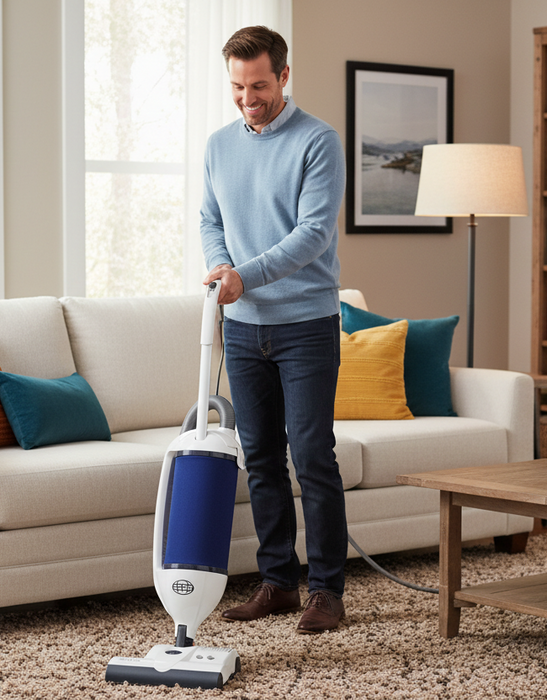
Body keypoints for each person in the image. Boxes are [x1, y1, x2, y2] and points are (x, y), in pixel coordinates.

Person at [200, 25, 347, 634]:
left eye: (258, 85)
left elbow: (313, 234)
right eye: (237, 86)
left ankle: (328, 592)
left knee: (312, 454)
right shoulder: (218, 145)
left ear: (283, 77)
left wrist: (246, 276)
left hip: (306, 324)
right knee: (259, 455)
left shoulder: (318, 142)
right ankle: (279, 582)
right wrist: (219, 267)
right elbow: (211, 220)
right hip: (241, 327)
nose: (246, 97)